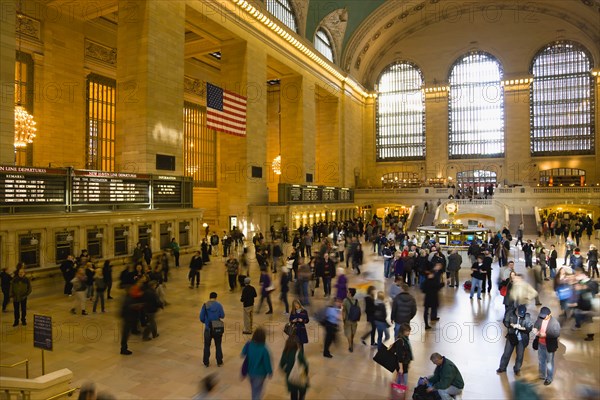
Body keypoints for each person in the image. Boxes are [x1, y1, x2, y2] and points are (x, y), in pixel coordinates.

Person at [497, 305, 533, 376]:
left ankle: (517, 369)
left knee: (520, 355)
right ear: (516, 311)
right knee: (506, 353)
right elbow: (505, 322)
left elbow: (529, 328)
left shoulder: (527, 316)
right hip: (511, 336)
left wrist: (521, 328)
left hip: (521, 339)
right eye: (519, 314)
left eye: (522, 315)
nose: (520, 316)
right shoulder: (510, 313)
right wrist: (511, 325)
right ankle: (502, 367)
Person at [241, 327, 273, 400]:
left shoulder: (249, 344)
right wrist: (270, 372)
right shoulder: (264, 349)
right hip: (261, 374)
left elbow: (242, 354)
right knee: (258, 391)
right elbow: (267, 363)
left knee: (253, 389)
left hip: (250, 372)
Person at [532, 307, 560, 385]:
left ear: (549, 314)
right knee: (541, 361)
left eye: (545, 316)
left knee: (549, 363)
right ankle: (542, 375)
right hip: (541, 344)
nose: (543, 317)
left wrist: (545, 335)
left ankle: (549, 378)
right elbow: (536, 325)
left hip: (549, 346)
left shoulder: (554, 323)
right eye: (542, 316)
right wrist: (535, 330)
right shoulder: (540, 318)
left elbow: (556, 333)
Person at [120, 277, 145, 355]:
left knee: (126, 333)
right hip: (128, 318)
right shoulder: (129, 299)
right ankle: (123, 349)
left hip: (130, 317)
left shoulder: (129, 297)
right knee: (126, 333)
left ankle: (124, 347)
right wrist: (136, 306)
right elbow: (127, 308)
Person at [279, 335, 309, 400]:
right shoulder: (299, 353)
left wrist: (286, 370)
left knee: (293, 394)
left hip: (291, 378)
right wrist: (305, 373)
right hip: (301, 377)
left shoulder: (285, 353)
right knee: (302, 392)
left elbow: (281, 365)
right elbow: (305, 365)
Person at [200, 292, 225, 367]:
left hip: (208, 328)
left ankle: (206, 362)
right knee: (218, 345)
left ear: (209, 297)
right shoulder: (219, 305)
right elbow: (222, 315)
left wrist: (207, 322)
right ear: (216, 297)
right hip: (217, 327)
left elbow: (201, 318)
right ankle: (219, 362)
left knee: (207, 345)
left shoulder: (205, 305)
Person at [342, 288, 360, 352]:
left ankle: (350, 345)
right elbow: (358, 310)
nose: (347, 293)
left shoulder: (345, 301)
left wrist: (343, 319)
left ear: (350, 293)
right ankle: (351, 340)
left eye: (348, 292)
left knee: (348, 333)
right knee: (353, 332)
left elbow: (343, 311)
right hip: (354, 320)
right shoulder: (356, 301)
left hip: (348, 320)